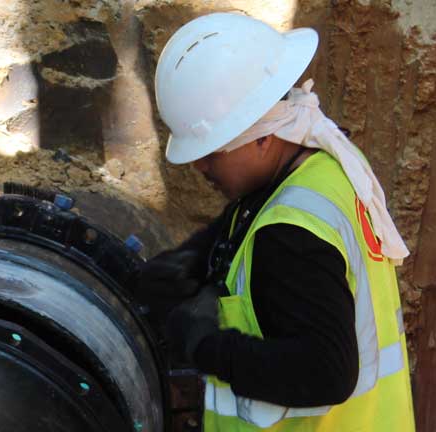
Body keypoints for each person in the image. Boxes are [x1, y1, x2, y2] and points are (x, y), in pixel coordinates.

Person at [137, 12, 415, 430]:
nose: (200, 167)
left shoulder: (289, 236)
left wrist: (206, 346)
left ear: (262, 137)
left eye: (211, 153)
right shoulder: (325, 166)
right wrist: (188, 261)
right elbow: (246, 221)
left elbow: (325, 373)